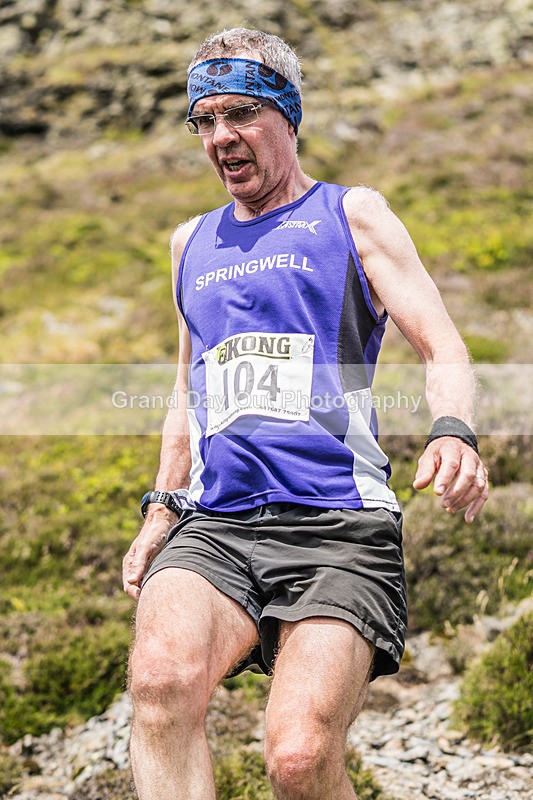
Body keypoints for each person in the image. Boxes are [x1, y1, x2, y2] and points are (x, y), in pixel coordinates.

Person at [122, 27, 489, 800]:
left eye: (242, 113)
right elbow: (189, 389)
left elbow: (442, 344)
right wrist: (161, 505)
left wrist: (453, 431)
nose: (222, 136)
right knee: (159, 686)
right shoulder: (190, 242)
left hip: (336, 527)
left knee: (297, 757)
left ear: (288, 116)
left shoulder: (351, 215)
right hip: (217, 523)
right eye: (205, 119)